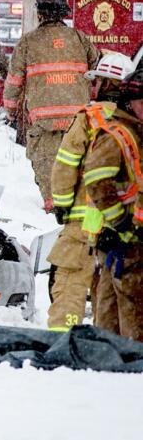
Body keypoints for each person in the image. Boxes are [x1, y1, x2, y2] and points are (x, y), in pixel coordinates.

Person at [46, 51, 132, 331]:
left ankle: (63, 340)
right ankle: (106, 343)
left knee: (70, 283)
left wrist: (61, 204)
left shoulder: (89, 118)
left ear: (104, 84)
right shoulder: (133, 124)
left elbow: (66, 164)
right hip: (121, 222)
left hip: (84, 221)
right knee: (107, 287)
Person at [3, 0, 99, 212]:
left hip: (44, 120)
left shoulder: (28, 42)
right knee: (77, 160)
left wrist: (10, 110)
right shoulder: (79, 38)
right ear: (63, 13)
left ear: (40, 13)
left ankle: (53, 207)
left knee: (47, 163)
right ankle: (79, 202)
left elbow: (14, 82)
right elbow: (97, 72)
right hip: (78, 119)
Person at [73, 69, 143, 340]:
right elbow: (97, 180)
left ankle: (110, 360)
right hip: (120, 236)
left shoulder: (133, 131)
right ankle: (131, 363)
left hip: (124, 236)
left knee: (112, 306)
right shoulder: (117, 134)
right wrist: (121, 224)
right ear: (130, 101)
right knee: (132, 308)